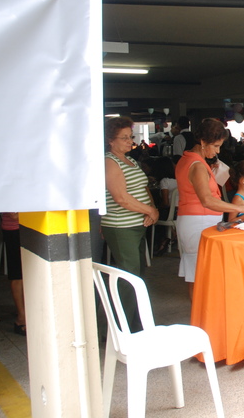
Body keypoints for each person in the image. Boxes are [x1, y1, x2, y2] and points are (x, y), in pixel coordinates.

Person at [176, 118, 244, 298]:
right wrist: (240, 207)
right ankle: (200, 312)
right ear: (203, 142)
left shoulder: (189, 159)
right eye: (215, 146)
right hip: (197, 223)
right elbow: (207, 200)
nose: (218, 151)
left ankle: (201, 311)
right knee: (200, 275)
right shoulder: (197, 165)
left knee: (197, 273)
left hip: (194, 221)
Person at [103, 116, 159, 330]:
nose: (130, 141)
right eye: (124, 137)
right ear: (111, 140)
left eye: (130, 136)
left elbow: (143, 188)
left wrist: (152, 209)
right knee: (128, 276)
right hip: (121, 226)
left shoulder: (130, 160)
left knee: (137, 275)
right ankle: (119, 328)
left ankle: (135, 323)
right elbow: (120, 198)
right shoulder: (110, 162)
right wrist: (149, 210)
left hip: (136, 224)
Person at [0, 212, 26, 335]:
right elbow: (14, 215)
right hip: (13, 230)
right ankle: (21, 318)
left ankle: (24, 311)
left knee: (26, 274)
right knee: (17, 275)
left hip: (26, 229)